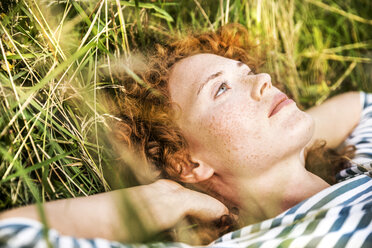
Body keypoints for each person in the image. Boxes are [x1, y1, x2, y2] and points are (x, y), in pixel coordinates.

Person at [0, 24, 371, 248]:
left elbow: (361, 104)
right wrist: (167, 198)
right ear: (188, 162)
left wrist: (296, 140)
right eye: (222, 89)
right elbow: (12, 234)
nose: (263, 81)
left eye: (246, 72)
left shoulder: (360, 162)